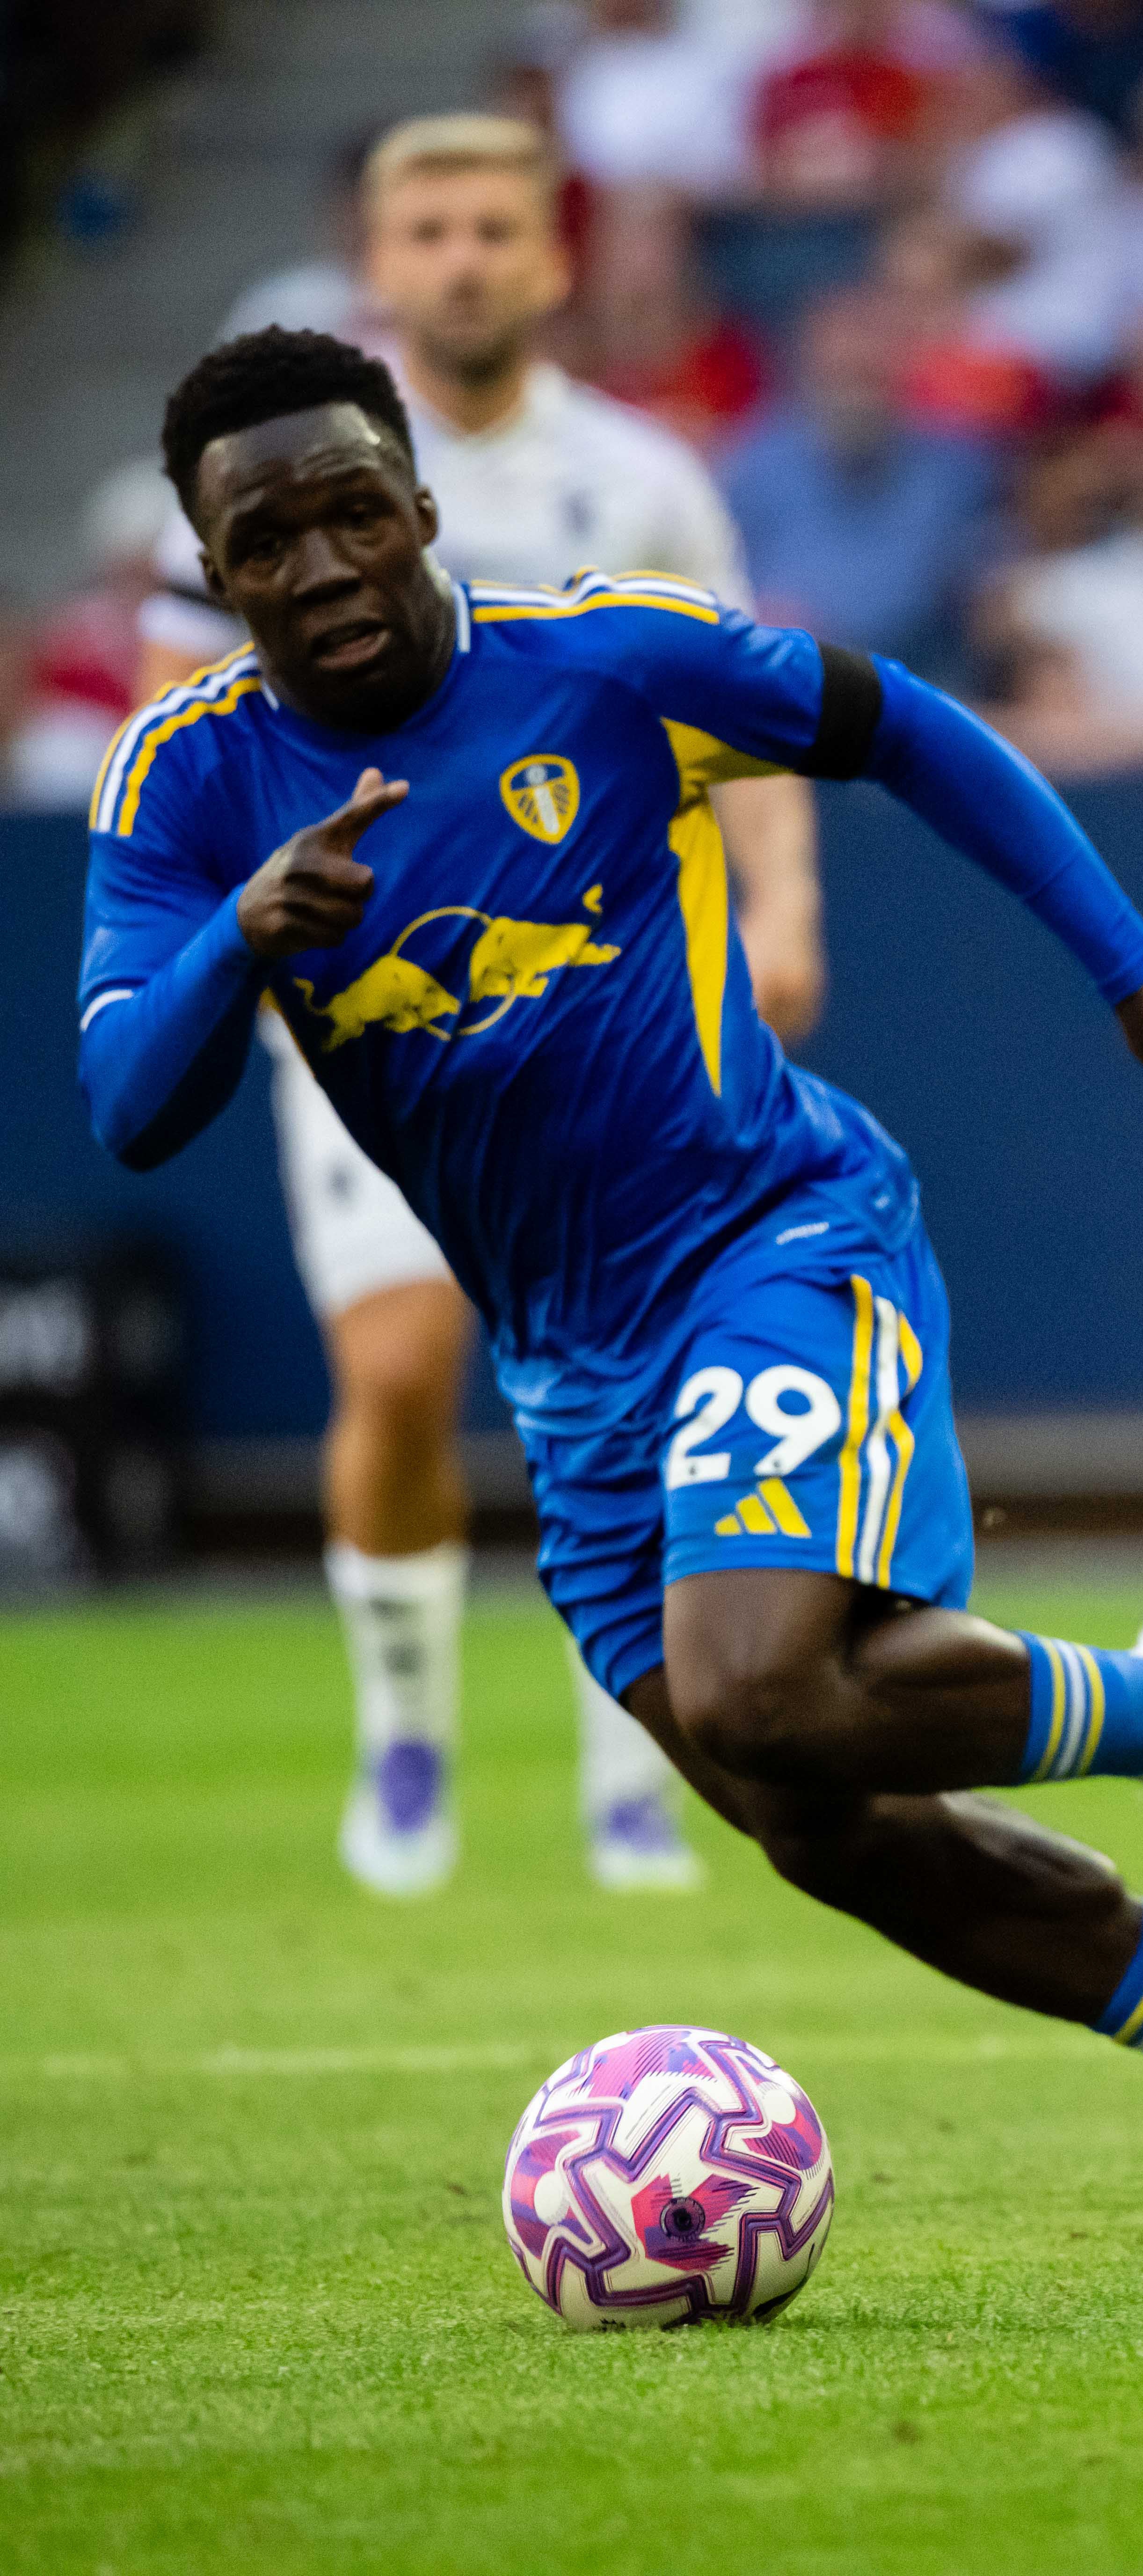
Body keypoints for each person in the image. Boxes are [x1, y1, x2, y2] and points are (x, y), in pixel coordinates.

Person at [79, 328, 1143, 2207]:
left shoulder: (604, 660)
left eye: (351, 515)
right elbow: (127, 1100)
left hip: (772, 1233)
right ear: (210, 567)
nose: (320, 569)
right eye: (264, 541)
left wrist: (1134, 966)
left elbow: (905, 724)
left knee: (755, 1690)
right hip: (572, 1370)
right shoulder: (187, 785)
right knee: (825, 1820)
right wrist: (241, 935)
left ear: (420, 506)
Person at [135, 115, 831, 1902]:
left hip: (607, 1006)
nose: (461, 258)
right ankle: (410, 1736)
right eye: (427, 228)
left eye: (491, 228)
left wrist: (784, 904)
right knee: (400, 1365)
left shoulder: (643, 480)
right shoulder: (268, 470)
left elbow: (746, 709)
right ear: (381, 259)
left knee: (650, 1367)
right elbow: (176, 722)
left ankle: (631, 1767)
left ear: (549, 257)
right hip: (374, 1014)